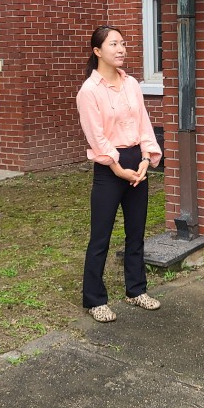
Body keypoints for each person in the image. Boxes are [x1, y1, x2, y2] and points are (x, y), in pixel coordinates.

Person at [76, 25, 163, 322]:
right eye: (114, 44)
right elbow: (96, 136)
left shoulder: (132, 84)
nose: (121, 49)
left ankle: (136, 290)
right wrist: (117, 168)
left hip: (136, 160)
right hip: (108, 166)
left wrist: (145, 158)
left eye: (123, 44)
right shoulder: (89, 91)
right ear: (97, 51)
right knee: (100, 236)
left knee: (136, 233)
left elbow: (144, 123)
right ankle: (94, 299)